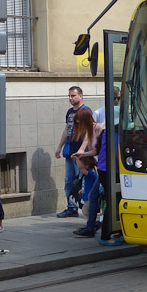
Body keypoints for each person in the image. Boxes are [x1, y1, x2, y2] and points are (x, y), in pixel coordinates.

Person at [54, 86, 91, 218]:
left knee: (81, 181)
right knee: (69, 180)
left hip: (80, 153)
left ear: (80, 96)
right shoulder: (70, 112)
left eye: (73, 96)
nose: (70, 98)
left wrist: (82, 150)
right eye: (69, 96)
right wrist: (59, 147)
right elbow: (67, 130)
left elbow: (89, 132)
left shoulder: (86, 111)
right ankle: (71, 207)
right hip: (69, 151)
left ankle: (87, 208)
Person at [71, 118, 106, 238]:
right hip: (103, 168)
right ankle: (92, 226)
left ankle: (93, 226)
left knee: (94, 198)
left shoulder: (101, 131)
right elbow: (94, 150)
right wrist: (82, 154)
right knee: (94, 197)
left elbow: (94, 151)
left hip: (106, 169)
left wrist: (79, 156)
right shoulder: (101, 132)